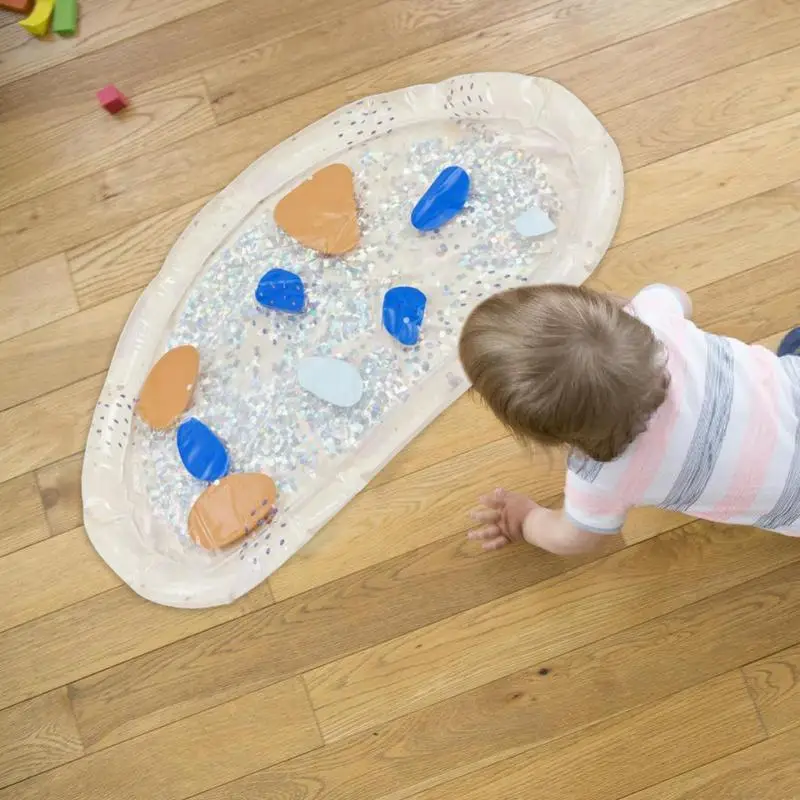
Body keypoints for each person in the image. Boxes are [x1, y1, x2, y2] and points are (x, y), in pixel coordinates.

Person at [458, 283, 800, 556]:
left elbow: (570, 539)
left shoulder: (603, 479)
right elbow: (677, 295)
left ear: (542, 433)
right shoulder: (657, 320)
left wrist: (525, 519)